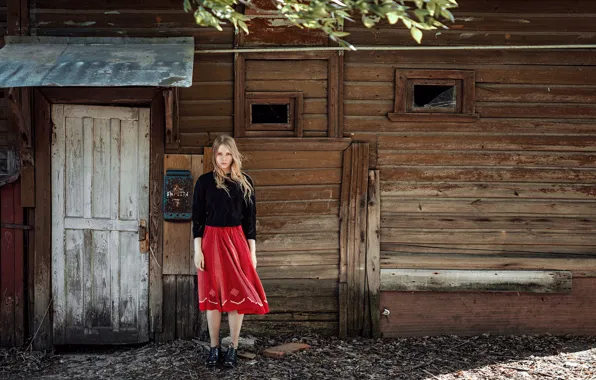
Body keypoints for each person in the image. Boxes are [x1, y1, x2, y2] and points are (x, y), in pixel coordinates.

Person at [192, 135, 269, 368]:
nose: (223, 158)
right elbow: (197, 218)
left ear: (234, 154)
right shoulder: (204, 182)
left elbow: (250, 221)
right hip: (211, 241)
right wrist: (198, 250)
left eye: (227, 154)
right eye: (219, 154)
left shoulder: (244, 182)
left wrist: (252, 252)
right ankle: (214, 348)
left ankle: (233, 348)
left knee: (236, 297)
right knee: (213, 298)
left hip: (237, 242)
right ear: (214, 155)